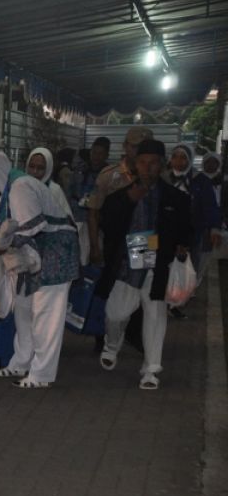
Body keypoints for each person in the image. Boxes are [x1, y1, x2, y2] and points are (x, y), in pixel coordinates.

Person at [94, 139, 192, 390]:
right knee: (115, 314)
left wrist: (182, 245)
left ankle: (151, 370)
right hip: (128, 262)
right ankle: (112, 343)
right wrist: (129, 200)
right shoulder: (121, 195)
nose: (148, 168)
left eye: (153, 163)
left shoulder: (175, 197)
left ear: (162, 165)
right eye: (143, 163)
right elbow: (107, 225)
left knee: (155, 315)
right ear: (135, 165)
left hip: (158, 263)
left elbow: (186, 228)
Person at [0, 151, 79, 389]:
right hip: (36, 255)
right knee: (23, 309)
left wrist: (2, 246)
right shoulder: (14, 186)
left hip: (55, 256)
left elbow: (31, 227)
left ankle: (42, 374)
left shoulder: (20, 186)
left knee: (46, 315)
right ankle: (21, 363)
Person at [88, 127, 152, 265]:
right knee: (112, 282)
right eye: (135, 146)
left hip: (144, 239)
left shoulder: (157, 177)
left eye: (144, 147)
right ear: (125, 146)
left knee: (140, 282)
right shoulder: (109, 175)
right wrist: (94, 247)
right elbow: (93, 213)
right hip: (113, 239)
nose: (139, 151)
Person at [68, 136, 111, 265]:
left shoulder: (109, 175)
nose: (96, 157)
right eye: (94, 152)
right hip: (76, 220)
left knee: (93, 258)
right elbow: (69, 192)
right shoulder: (79, 170)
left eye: (100, 154)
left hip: (96, 224)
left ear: (106, 155)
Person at [191, 153, 224, 285]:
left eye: (214, 162)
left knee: (206, 255)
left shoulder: (222, 181)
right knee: (197, 254)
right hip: (200, 224)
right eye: (208, 162)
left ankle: (196, 281)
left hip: (217, 225)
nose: (210, 165)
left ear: (218, 164)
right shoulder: (197, 180)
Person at [26, 146, 75, 231]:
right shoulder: (20, 187)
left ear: (48, 169)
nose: (35, 171)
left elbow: (67, 220)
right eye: (31, 166)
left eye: (40, 168)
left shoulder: (54, 190)